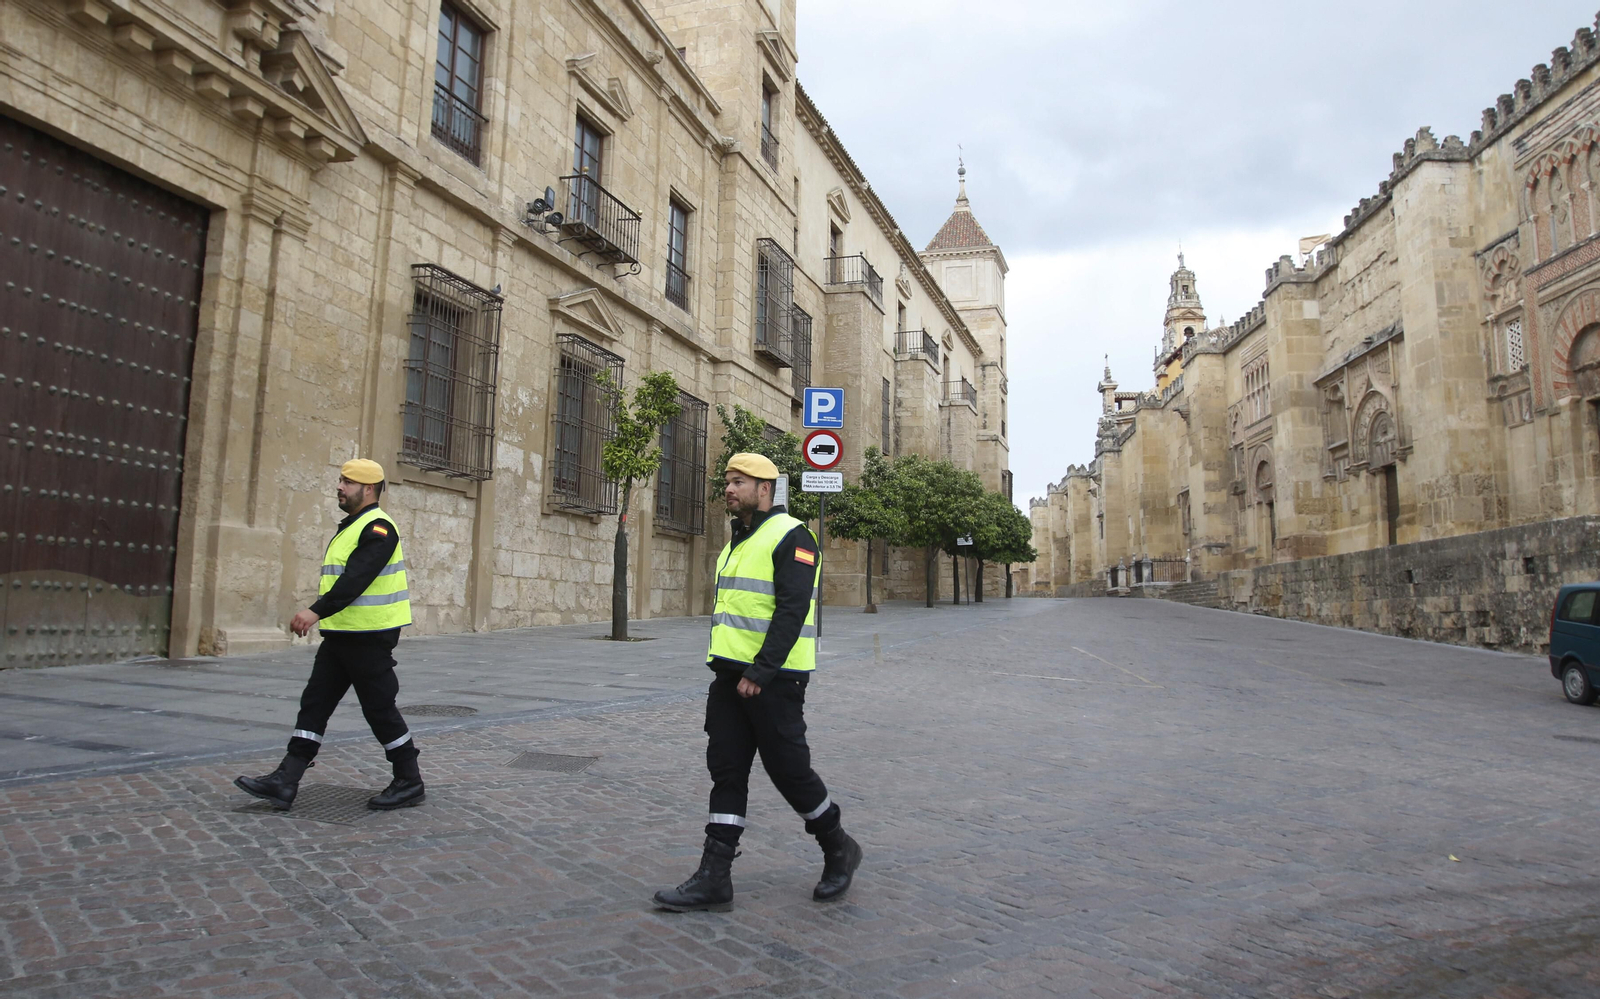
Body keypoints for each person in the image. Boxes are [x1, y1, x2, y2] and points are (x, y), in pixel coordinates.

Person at [653, 453, 863, 911]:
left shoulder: (793, 535)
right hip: (729, 677)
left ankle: (838, 846)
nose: (729, 489)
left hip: (775, 681)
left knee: (790, 773)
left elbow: (793, 610)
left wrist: (761, 671)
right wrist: (735, 671)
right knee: (726, 769)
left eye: (739, 482)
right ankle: (715, 876)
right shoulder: (737, 541)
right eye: (728, 481)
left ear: (764, 488)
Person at [234, 459, 424, 812]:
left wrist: (315, 611)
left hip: (369, 636)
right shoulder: (352, 526)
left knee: (379, 709)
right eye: (340, 480)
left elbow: (356, 579)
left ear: (368, 489)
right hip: (341, 634)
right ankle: (286, 779)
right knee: (315, 703)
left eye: (347, 482)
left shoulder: (379, 528)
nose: (339, 486)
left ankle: (409, 779)